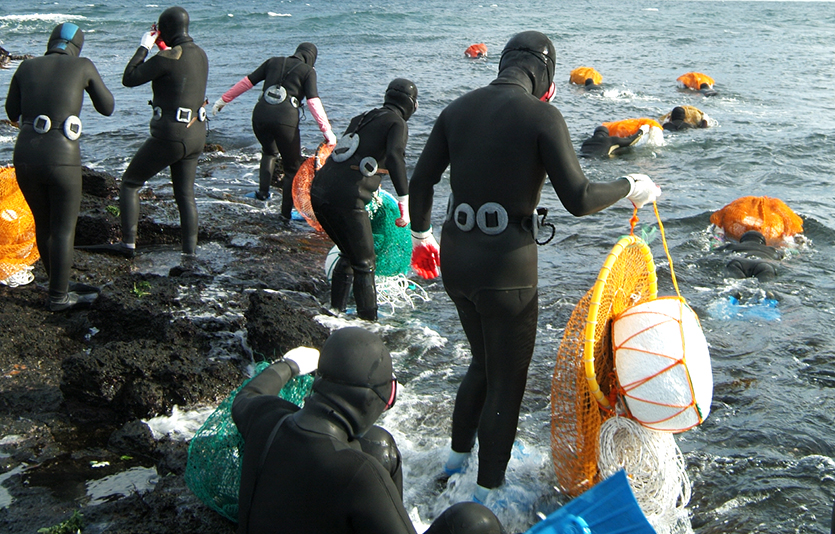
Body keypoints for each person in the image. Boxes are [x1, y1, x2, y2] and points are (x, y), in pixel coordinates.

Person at [407, 31, 660, 500]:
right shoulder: (543, 115)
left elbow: (421, 181)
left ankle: (452, 467)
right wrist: (631, 184)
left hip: (456, 259)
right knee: (507, 381)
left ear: (504, 63)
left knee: (481, 364)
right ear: (544, 74)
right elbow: (580, 198)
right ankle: (484, 500)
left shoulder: (456, 109)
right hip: (507, 267)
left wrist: (422, 238)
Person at [232, 327, 505, 534]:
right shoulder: (360, 473)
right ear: (369, 399)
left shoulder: (266, 418)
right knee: (475, 521)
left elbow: (248, 394)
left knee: (378, 443)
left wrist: (290, 365)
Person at [81, 6, 208, 258]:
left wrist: (144, 46)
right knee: (185, 194)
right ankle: (189, 253)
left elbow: (130, 77)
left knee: (130, 183)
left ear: (165, 30)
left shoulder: (167, 57)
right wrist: (163, 46)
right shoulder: (200, 54)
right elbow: (176, 69)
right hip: (196, 134)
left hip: (170, 136)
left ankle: (127, 245)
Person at [5, 22, 114, 311]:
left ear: (51, 41)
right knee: (64, 229)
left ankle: (58, 283)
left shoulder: (26, 67)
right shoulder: (83, 65)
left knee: (43, 223)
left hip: (25, 155)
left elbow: (11, 111)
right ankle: (58, 298)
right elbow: (108, 107)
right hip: (62, 154)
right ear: (77, 46)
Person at [309, 79, 416, 321]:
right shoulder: (397, 123)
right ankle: (370, 324)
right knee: (366, 262)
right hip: (348, 198)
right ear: (410, 104)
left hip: (319, 191)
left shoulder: (361, 118)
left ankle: (334, 311)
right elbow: (395, 158)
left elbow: (349, 155)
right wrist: (404, 206)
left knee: (350, 252)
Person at [212, 43, 336, 217]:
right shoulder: (308, 71)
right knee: (291, 167)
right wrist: (327, 131)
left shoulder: (273, 62)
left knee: (269, 152)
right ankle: (285, 215)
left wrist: (223, 100)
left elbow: (247, 82)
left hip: (260, 116)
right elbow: (313, 101)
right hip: (285, 121)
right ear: (311, 58)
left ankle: (262, 193)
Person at [580, 124, 646, 157]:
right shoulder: (610, 140)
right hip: (600, 160)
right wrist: (641, 130)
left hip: (584, 158)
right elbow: (630, 141)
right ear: (607, 134)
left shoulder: (586, 142)